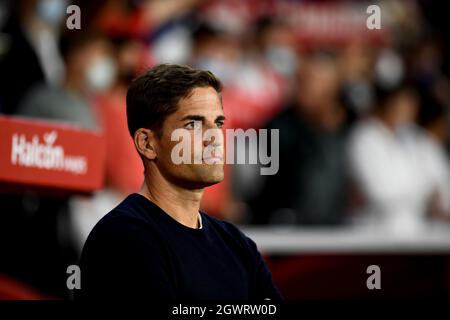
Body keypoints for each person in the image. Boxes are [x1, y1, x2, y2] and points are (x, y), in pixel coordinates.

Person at [78, 64, 282, 301]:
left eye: (218, 123)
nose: (214, 138)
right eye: (193, 125)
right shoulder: (122, 238)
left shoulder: (236, 243)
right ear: (147, 143)